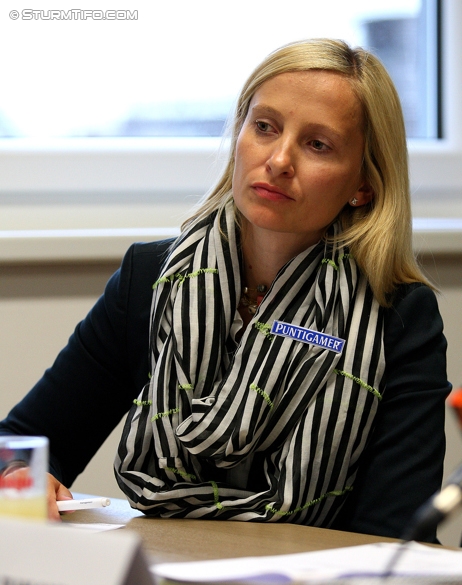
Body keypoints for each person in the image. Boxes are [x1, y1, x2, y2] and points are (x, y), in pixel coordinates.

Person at [0, 39, 450, 541]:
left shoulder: (400, 316)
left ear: (363, 185)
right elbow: (22, 442)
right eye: (265, 127)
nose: (279, 159)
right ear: (239, 133)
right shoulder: (151, 278)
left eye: (317, 144)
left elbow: (396, 537)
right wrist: (18, 477)